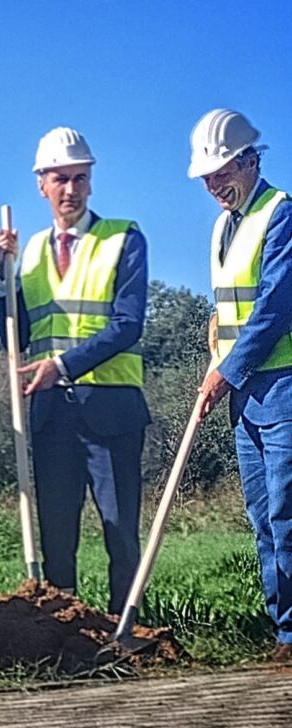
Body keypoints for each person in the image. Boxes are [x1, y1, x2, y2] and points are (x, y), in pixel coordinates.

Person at [0, 128, 150, 614]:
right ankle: (66, 632)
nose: (71, 190)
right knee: (58, 536)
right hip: (51, 419)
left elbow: (128, 326)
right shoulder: (29, 253)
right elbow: (13, 338)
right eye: (61, 179)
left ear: (91, 181)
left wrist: (60, 366)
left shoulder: (124, 237)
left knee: (120, 531)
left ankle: (128, 629)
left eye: (80, 178)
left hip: (112, 412)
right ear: (42, 183)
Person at [189, 109, 292, 662]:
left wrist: (225, 374)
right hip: (245, 396)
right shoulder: (222, 227)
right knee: (261, 516)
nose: (213, 186)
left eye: (221, 173)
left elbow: (275, 307)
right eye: (206, 178)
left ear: (250, 161)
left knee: (287, 513)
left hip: (282, 386)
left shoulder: (281, 214)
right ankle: (284, 628)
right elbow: (232, 304)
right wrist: (216, 337)